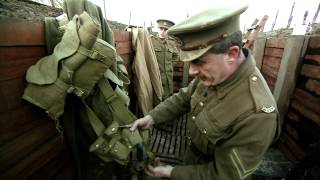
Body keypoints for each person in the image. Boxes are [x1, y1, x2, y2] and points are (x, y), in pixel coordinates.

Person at [130, 2, 280, 180]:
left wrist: (171, 172)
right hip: (191, 161)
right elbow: (184, 98)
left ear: (231, 54)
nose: (192, 71)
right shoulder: (215, 74)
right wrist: (152, 117)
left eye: (199, 61)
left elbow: (223, 175)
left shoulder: (257, 114)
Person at [151, 19, 179, 102]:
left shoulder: (171, 42)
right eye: (161, 29)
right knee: (154, 100)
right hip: (155, 78)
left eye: (166, 30)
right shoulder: (151, 41)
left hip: (167, 79)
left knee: (166, 99)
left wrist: (169, 65)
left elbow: (176, 55)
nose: (162, 32)